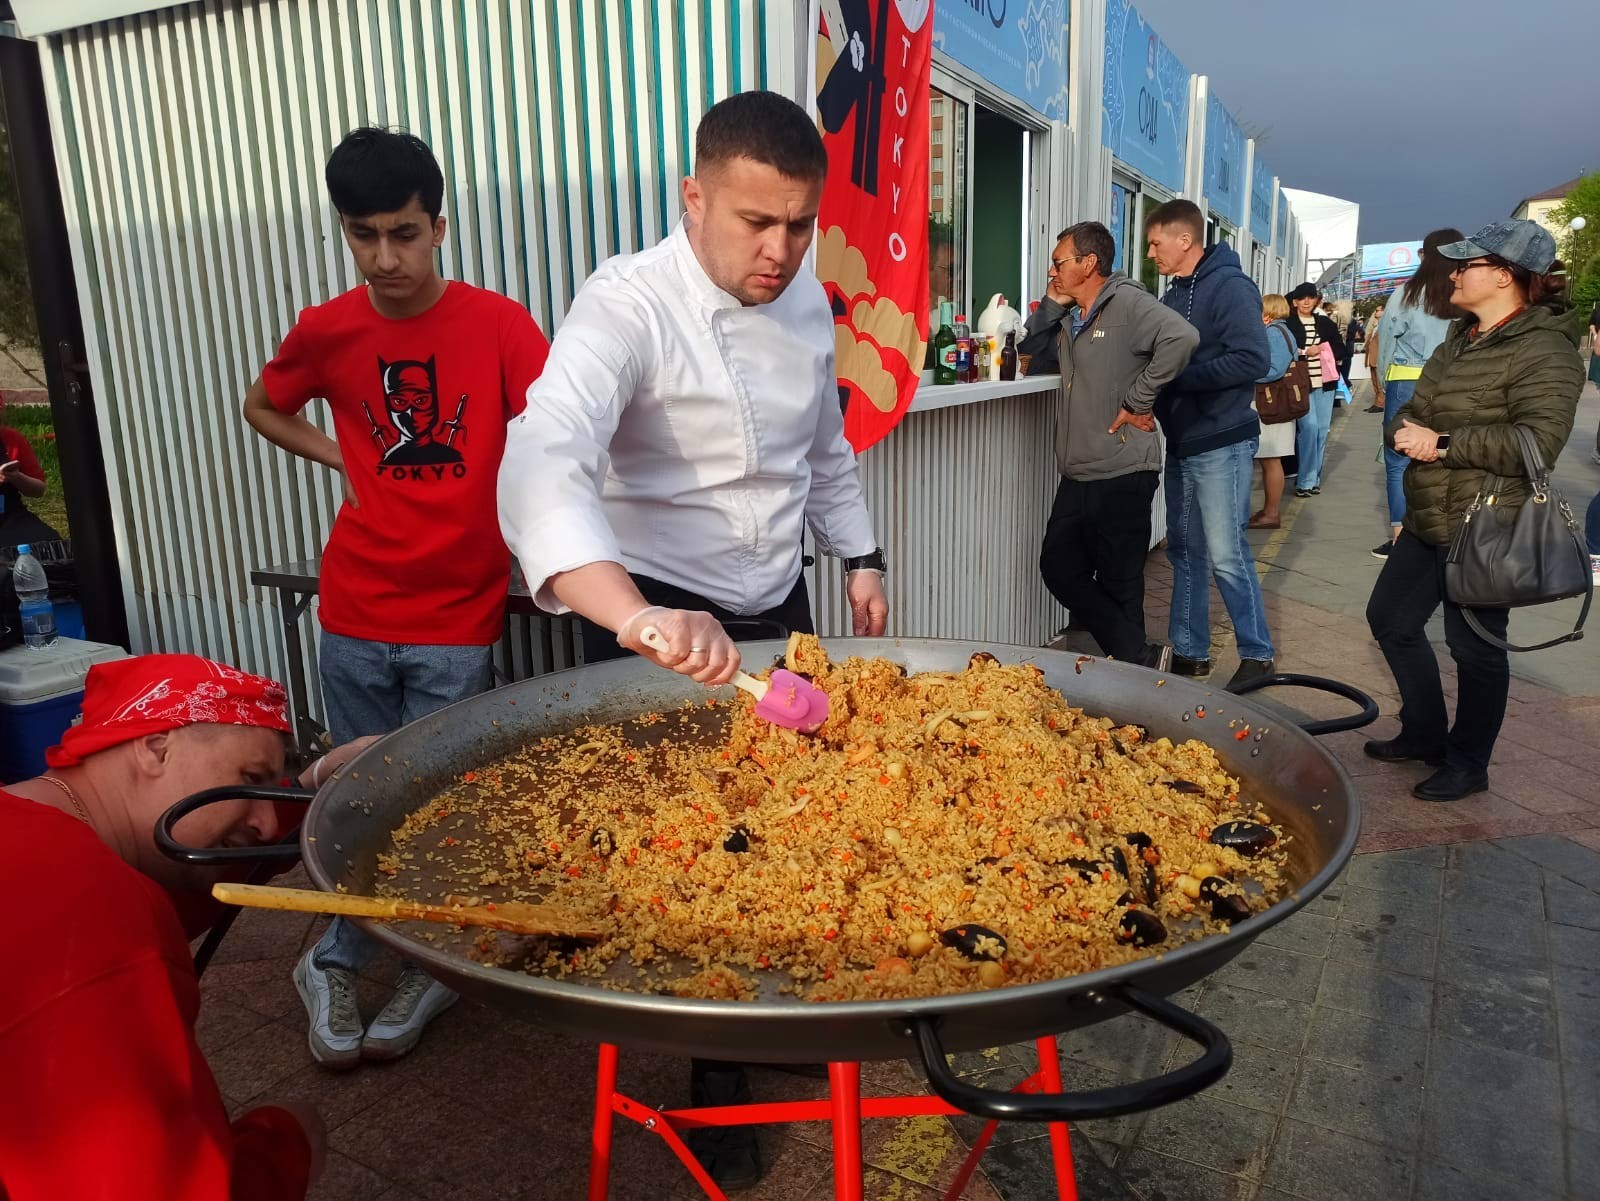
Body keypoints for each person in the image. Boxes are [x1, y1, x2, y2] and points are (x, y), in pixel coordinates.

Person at [497, 90, 887, 1190]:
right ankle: (720, 1081)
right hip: (657, 612)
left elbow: (823, 447)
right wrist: (633, 615)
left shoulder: (807, 298)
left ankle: (795, 1007)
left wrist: (860, 556)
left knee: (804, 820)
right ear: (693, 197)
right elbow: (543, 456)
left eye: (798, 225)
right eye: (754, 223)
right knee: (708, 854)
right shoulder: (625, 301)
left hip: (776, 601)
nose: (778, 251)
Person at [243, 127, 551, 1069]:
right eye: (364, 234)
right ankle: (334, 956)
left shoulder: (500, 326)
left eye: (405, 233)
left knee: (445, 805)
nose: (385, 257)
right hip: (354, 616)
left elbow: (555, 440)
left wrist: (536, 537)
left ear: (440, 226)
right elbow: (263, 404)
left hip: (458, 621)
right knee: (357, 799)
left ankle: (432, 959)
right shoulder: (329, 329)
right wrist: (342, 454)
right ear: (344, 231)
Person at [0, 653, 373, 1199]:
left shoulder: (36, 825)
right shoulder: (88, 912)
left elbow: (192, 859)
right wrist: (282, 1146)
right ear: (156, 746)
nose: (266, 820)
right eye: (251, 780)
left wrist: (312, 786)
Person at [1366, 220, 1582, 802]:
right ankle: (1425, 733)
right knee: (1390, 619)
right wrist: (1407, 431)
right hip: (1429, 514)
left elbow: (1537, 444)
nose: (1454, 274)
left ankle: (1468, 762)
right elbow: (1412, 406)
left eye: (1467, 265)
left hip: (1488, 523)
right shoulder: (1459, 338)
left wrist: (1442, 443)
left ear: (1506, 276)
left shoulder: (1546, 350)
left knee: (1476, 649)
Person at [1026, 220, 1198, 667]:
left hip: (1124, 467)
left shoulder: (1128, 303)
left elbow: (1182, 338)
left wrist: (1137, 399)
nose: (1053, 270)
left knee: (1122, 581)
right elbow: (1030, 353)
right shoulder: (1070, 316)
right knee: (1058, 568)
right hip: (1078, 469)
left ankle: (1135, 683)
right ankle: (1138, 659)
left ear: (1089, 263)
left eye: (1059, 262)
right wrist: (1050, 304)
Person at [1145, 199, 1275, 690]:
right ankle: (1190, 652)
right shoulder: (1174, 294)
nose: (1152, 252)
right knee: (1184, 550)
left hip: (1221, 441)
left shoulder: (1231, 287)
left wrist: (1178, 381)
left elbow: (1252, 358)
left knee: (1225, 553)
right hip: (1182, 442)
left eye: (1157, 242)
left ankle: (1258, 655)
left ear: (1185, 239)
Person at [1370, 229, 1463, 559]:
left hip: (1407, 380)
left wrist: (1381, 383)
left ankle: (1399, 537)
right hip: (1453, 381)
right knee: (1445, 448)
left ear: (1424, 256)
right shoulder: (1464, 293)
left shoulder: (1406, 293)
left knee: (1398, 460)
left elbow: (1387, 341)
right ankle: (1443, 531)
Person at [1285, 283, 1346, 497]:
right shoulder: (1288, 324)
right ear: (1294, 302)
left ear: (1316, 300)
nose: (1306, 302)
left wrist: (1322, 348)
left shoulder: (1325, 323)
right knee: (1308, 430)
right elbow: (1284, 349)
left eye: (1311, 297)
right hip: (1300, 385)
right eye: (1302, 298)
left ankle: (1314, 478)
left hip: (1326, 384)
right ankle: (1305, 480)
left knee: (1320, 431)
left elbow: (1341, 348)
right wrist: (1304, 352)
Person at [1249, 294, 1299, 530]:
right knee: (1270, 460)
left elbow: (1273, 370)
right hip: (1278, 404)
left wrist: (1243, 371)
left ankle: (1271, 513)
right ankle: (1269, 511)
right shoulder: (1285, 332)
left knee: (1270, 459)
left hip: (1271, 406)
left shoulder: (1273, 333)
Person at [0, 403, 60, 549]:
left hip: (10, 516)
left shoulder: (12, 439)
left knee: (50, 547)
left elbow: (38, 490)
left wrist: (16, 477)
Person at [1363, 304, 1386, 412]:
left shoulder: (1384, 325)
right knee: (1374, 381)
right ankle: (1377, 401)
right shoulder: (1375, 325)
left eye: (1378, 310)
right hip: (1372, 357)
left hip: (1378, 357)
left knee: (1379, 382)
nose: (1376, 312)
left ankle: (1380, 403)